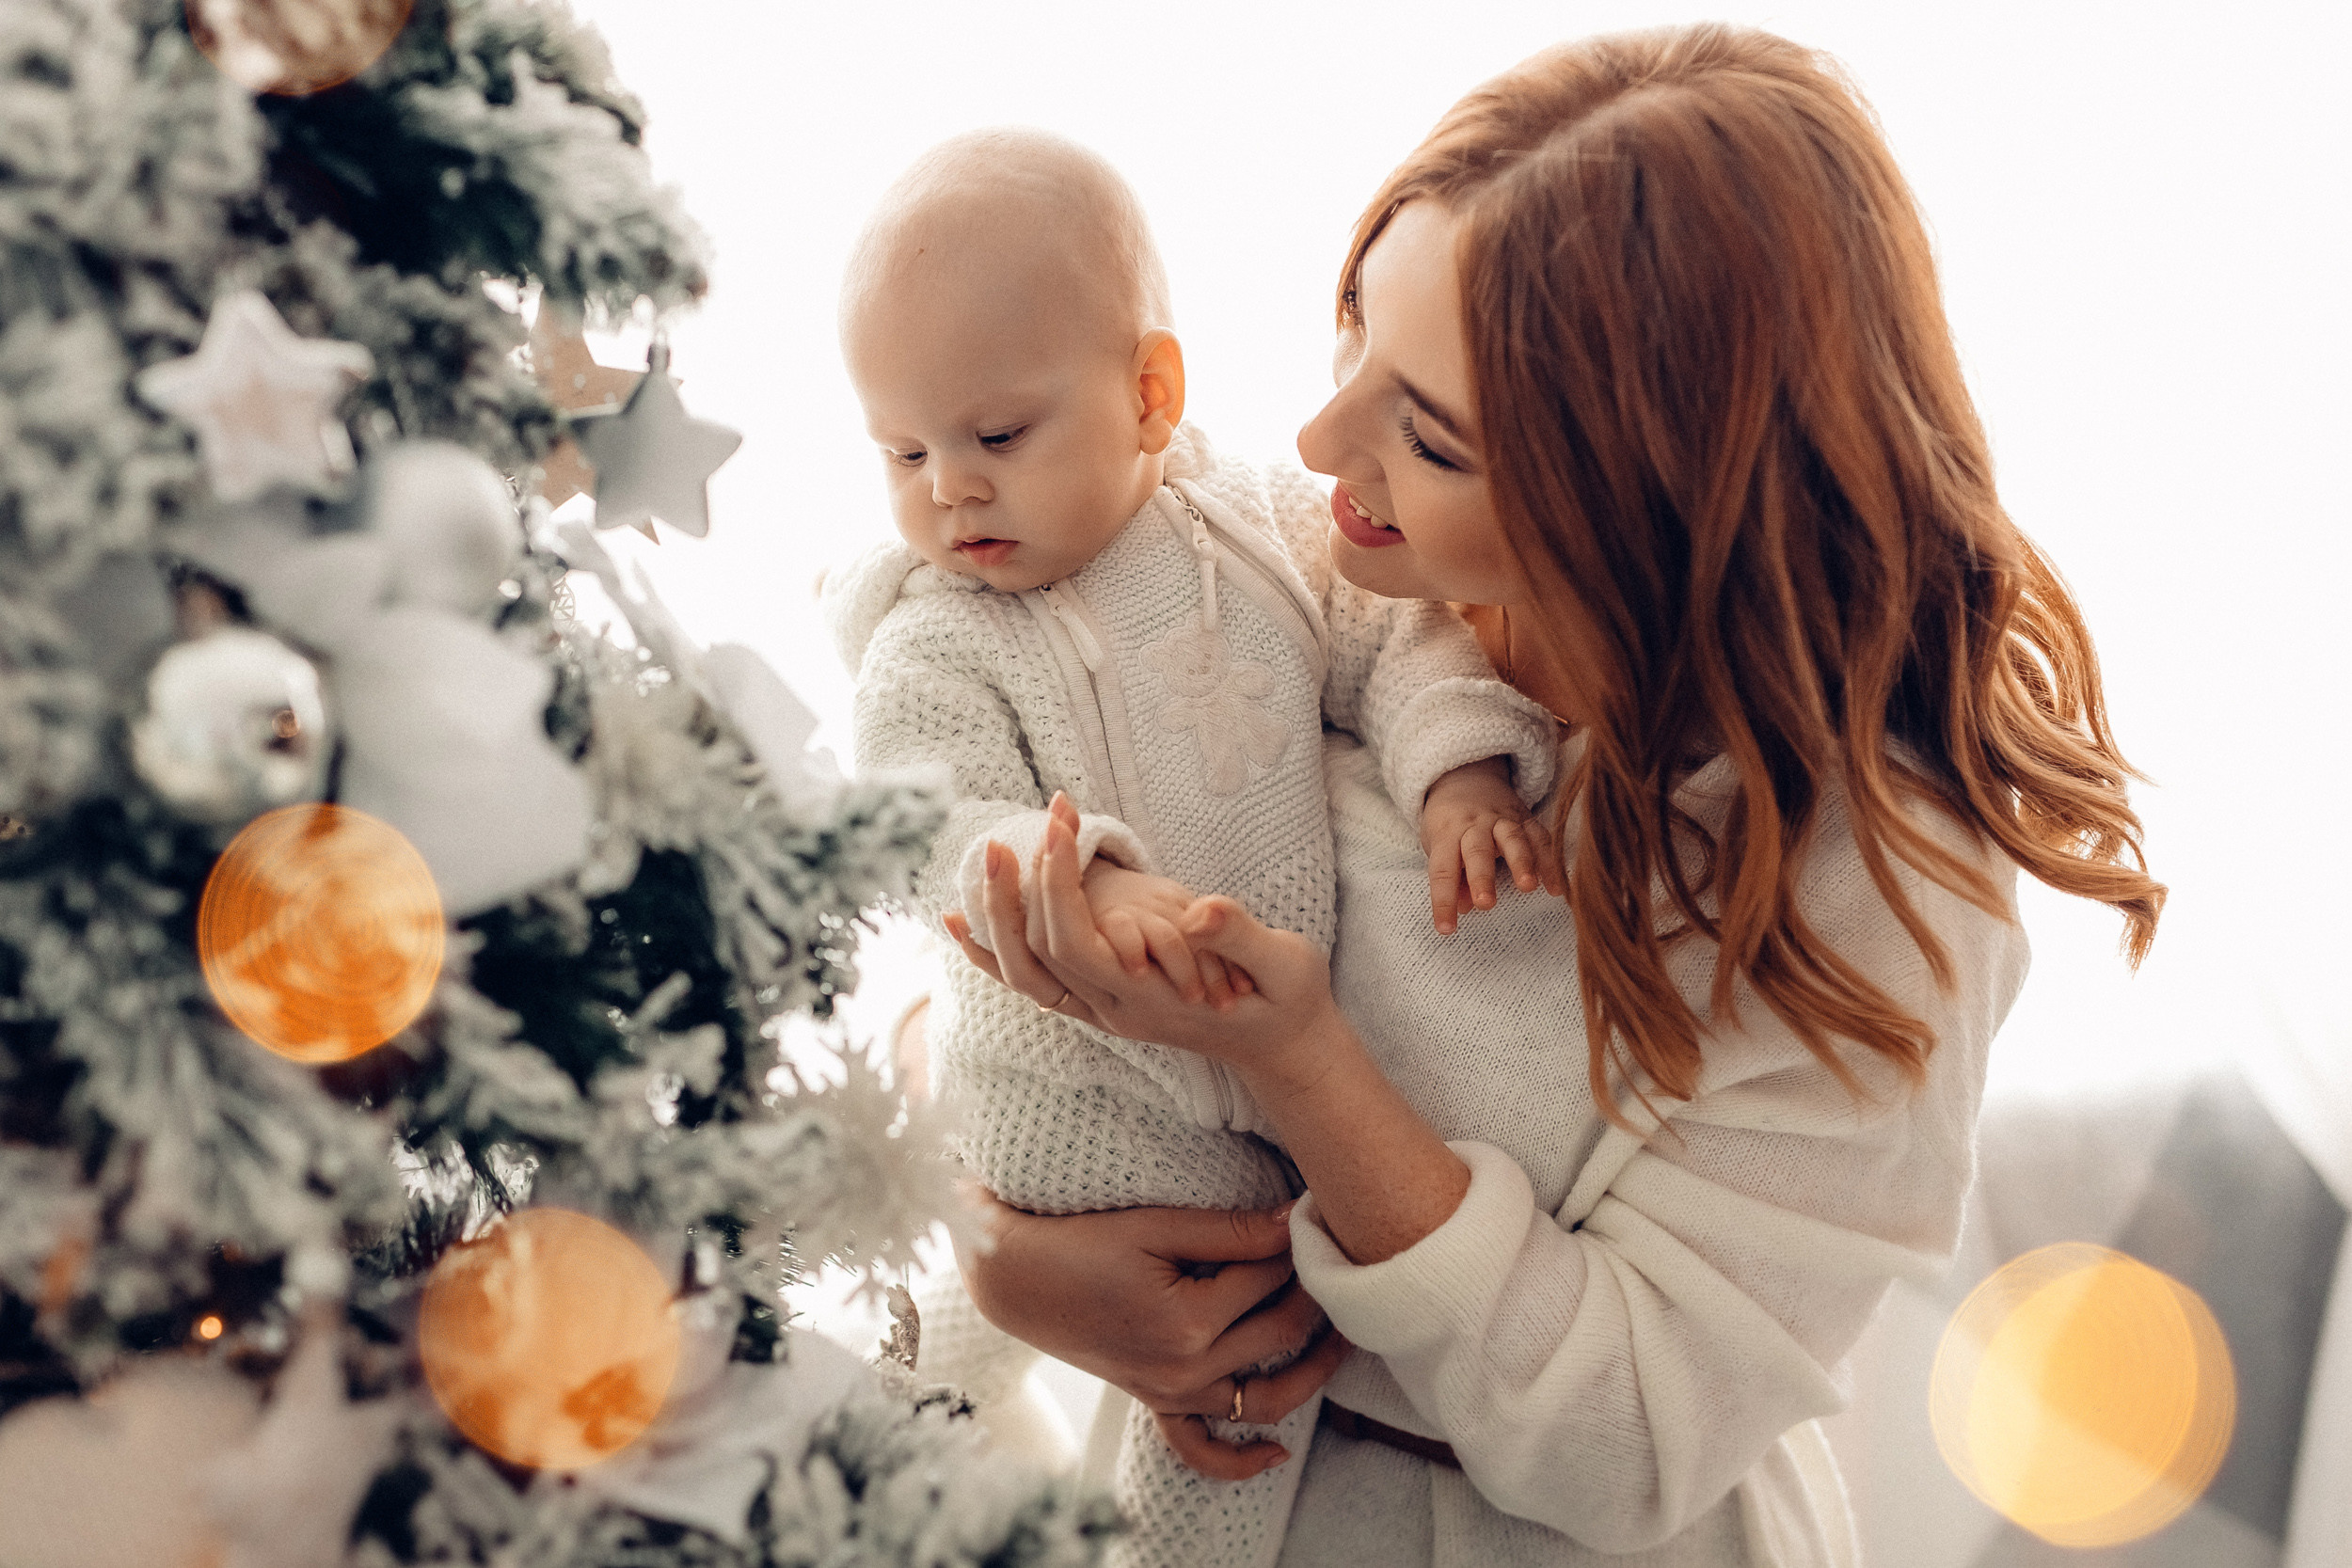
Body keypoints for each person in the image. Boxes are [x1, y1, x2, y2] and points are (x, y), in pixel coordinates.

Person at [943, 24, 2167, 1568]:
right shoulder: (1304, 580)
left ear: (1640, 487)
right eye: (1350, 343)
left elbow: (1631, 1440)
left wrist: (1304, 1059)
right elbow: (987, 903)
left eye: (1430, 432)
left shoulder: (1891, 887)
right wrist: (998, 1252)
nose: (1321, 442)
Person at [823, 129, 1560, 1567]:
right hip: (1062, 1111)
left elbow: (1392, 646)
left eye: (995, 437)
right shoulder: (933, 640)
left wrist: (1459, 773)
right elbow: (926, 817)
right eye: (902, 453)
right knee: (910, 1401)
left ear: (1151, 393)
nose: (950, 492)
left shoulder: (1259, 531)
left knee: (1228, 1419)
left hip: (1253, 1154)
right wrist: (1081, 874)